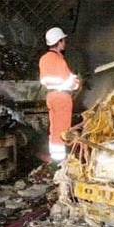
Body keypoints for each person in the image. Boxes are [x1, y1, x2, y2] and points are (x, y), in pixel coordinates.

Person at [39, 26, 80, 164]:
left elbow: (45, 80)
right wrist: (76, 83)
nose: (65, 43)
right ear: (59, 41)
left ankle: (55, 160)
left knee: (54, 130)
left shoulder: (43, 59)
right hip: (62, 97)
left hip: (51, 96)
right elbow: (69, 81)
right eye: (63, 40)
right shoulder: (59, 60)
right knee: (63, 131)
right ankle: (61, 163)